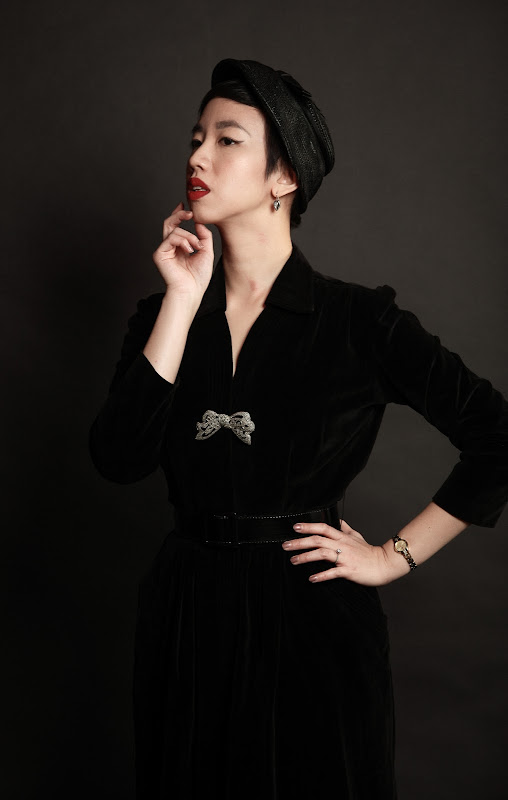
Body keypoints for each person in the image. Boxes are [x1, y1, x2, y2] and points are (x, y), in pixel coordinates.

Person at [89, 59, 508, 799]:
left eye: (227, 140)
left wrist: (393, 557)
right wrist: (180, 300)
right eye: (195, 138)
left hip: (312, 617)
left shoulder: (359, 322)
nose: (197, 156)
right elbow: (118, 459)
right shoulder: (164, 316)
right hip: (188, 615)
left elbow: (497, 437)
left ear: (284, 176)